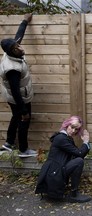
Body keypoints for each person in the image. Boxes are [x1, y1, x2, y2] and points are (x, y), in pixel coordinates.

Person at [0, 13, 37, 157]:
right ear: (11, 51)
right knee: (24, 120)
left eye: (18, 45)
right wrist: (24, 110)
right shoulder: (12, 69)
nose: (20, 47)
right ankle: (23, 150)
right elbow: (16, 91)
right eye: (16, 47)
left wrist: (24, 21)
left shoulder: (12, 52)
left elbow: (18, 35)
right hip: (18, 98)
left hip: (14, 96)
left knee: (15, 117)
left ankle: (8, 143)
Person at [35, 116, 92, 203]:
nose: (73, 131)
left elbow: (78, 155)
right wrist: (85, 142)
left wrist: (86, 143)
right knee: (79, 161)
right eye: (72, 127)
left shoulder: (67, 138)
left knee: (78, 161)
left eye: (76, 129)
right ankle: (74, 195)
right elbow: (79, 154)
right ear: (66, 125)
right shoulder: (61, 138)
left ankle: (74, 193)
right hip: (54, 172)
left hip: (58, 169)